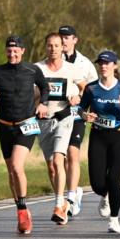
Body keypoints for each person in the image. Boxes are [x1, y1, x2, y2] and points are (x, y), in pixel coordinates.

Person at [0, 35, 49, 235]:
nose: (12, 53)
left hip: (27, 124)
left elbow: (45, 88)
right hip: (5, 126)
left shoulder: (32, 70)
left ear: (22, 51)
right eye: (9, 50)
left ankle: (22, 210)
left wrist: (43, 104)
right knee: (11, 172)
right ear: (6, 51)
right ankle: (20, 208)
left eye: (16, 50)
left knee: (16, 165)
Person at [79, 51, 120, 233]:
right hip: (98, 136)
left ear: (115, 66)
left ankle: (114, 219)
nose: (103, 66)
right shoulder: (91, 88)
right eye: (101, 63)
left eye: (107, 63)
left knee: (114, 180)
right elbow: (80, 109)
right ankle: (104, 194)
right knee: (97, 183)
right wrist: (86, 116)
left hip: (119, 137)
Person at [35, 32, 88, 225]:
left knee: (59, 159)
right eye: (50, 45)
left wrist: (78, 98)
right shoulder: (37, 69)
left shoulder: (71, 69)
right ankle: (64, 202)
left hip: (64, 118)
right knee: (51, 167)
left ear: (61, 47)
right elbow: (30, 92)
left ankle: (59, 205)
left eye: (57, 45)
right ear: (46, 47)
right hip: (43, 120)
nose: (53, 49)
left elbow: (84, 89)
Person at [59, 25, 98, 216]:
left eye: (67, 37)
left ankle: (72, 198)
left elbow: (95, 89)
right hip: (57, 115)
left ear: (75, 40)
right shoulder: (52, 62)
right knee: (60, 159)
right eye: (61, 37)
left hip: (77, 114)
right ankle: (73, 191)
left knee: (73, 153)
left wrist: (85, 104)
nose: (64, 41)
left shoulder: (85, 64)